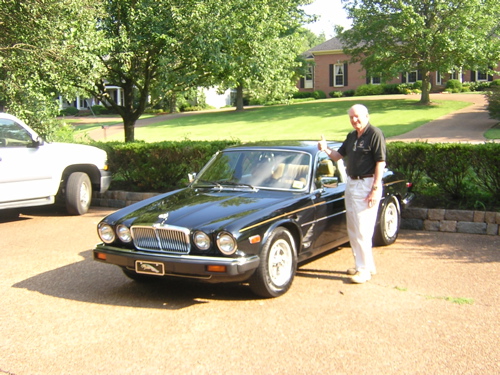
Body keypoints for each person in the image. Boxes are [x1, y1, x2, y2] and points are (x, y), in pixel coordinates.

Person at [318, 104, 386, 284]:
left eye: (357, 117)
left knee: (363, 229)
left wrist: (375, 188)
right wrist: (325, 148)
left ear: (366, 116)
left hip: (367, 184)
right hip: (352, 184)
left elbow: (380, 163)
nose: (354, 120)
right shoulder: (351, 136)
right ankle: (364, 265)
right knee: (354, 228)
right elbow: (337, 156)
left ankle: (363, 271)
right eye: (351, 117)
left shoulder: (375, 134)